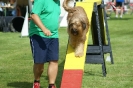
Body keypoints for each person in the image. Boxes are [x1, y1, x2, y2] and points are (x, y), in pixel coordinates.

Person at [29, 0, 60, 88]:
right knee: (40, 62)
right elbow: (34, 15)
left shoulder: (57, 2)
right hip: (38, 34)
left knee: (54, 60)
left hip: (54, 35)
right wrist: (44, 29)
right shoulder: (41, 0)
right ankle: (37, 81)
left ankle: (51, 85)